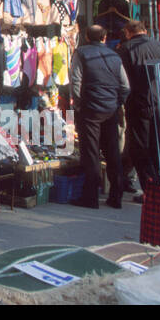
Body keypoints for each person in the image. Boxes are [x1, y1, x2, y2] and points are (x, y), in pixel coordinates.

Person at [68, 23, 129, 209]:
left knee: (91, 153)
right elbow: (125, 86)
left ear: (87, 37)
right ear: (104, 38)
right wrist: (117, 102)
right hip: (110, 109)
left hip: (90, 110)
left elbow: (75, 81)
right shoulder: (114, 56)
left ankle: (91, 198)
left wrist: (79, 105)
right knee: (112, 153)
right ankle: (116, 196)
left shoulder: (81, 53)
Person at [115, 19, 160, 202]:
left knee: (141, 147)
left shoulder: (126, 50)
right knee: (159, 145)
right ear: (145, 30)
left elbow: (121, 80)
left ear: (127, 32)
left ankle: (150, 189)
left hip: (139, 104)